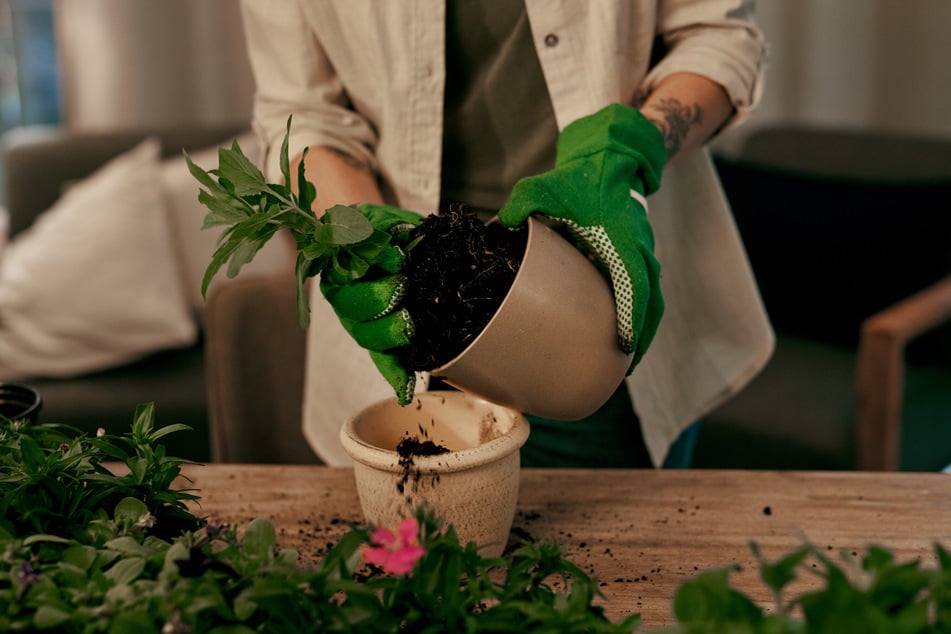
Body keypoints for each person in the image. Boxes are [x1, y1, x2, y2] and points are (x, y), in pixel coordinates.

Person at [239, 1, 774, 469]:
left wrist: (627, 149)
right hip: (410, 306)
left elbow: (717, 34)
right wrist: (360, 236)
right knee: (410, 574)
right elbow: (303, 110)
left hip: (594, 295)